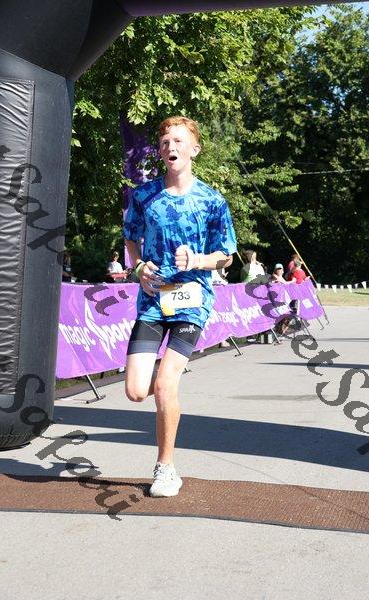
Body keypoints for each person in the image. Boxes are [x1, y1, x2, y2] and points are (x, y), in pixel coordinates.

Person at [123, 116, 237, 498]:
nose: (170, 147)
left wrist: (200, 260)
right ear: (160, 152)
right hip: (153, 300)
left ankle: (166, 468)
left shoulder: (212, 200)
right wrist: (138, 266)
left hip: (192, 300)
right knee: (135, 390)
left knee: (164, 384)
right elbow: (131, 239)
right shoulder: (143, 196)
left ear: (194, 149)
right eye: (164, 142)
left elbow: (227, 255)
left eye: (178, 141)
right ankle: (165, 389)